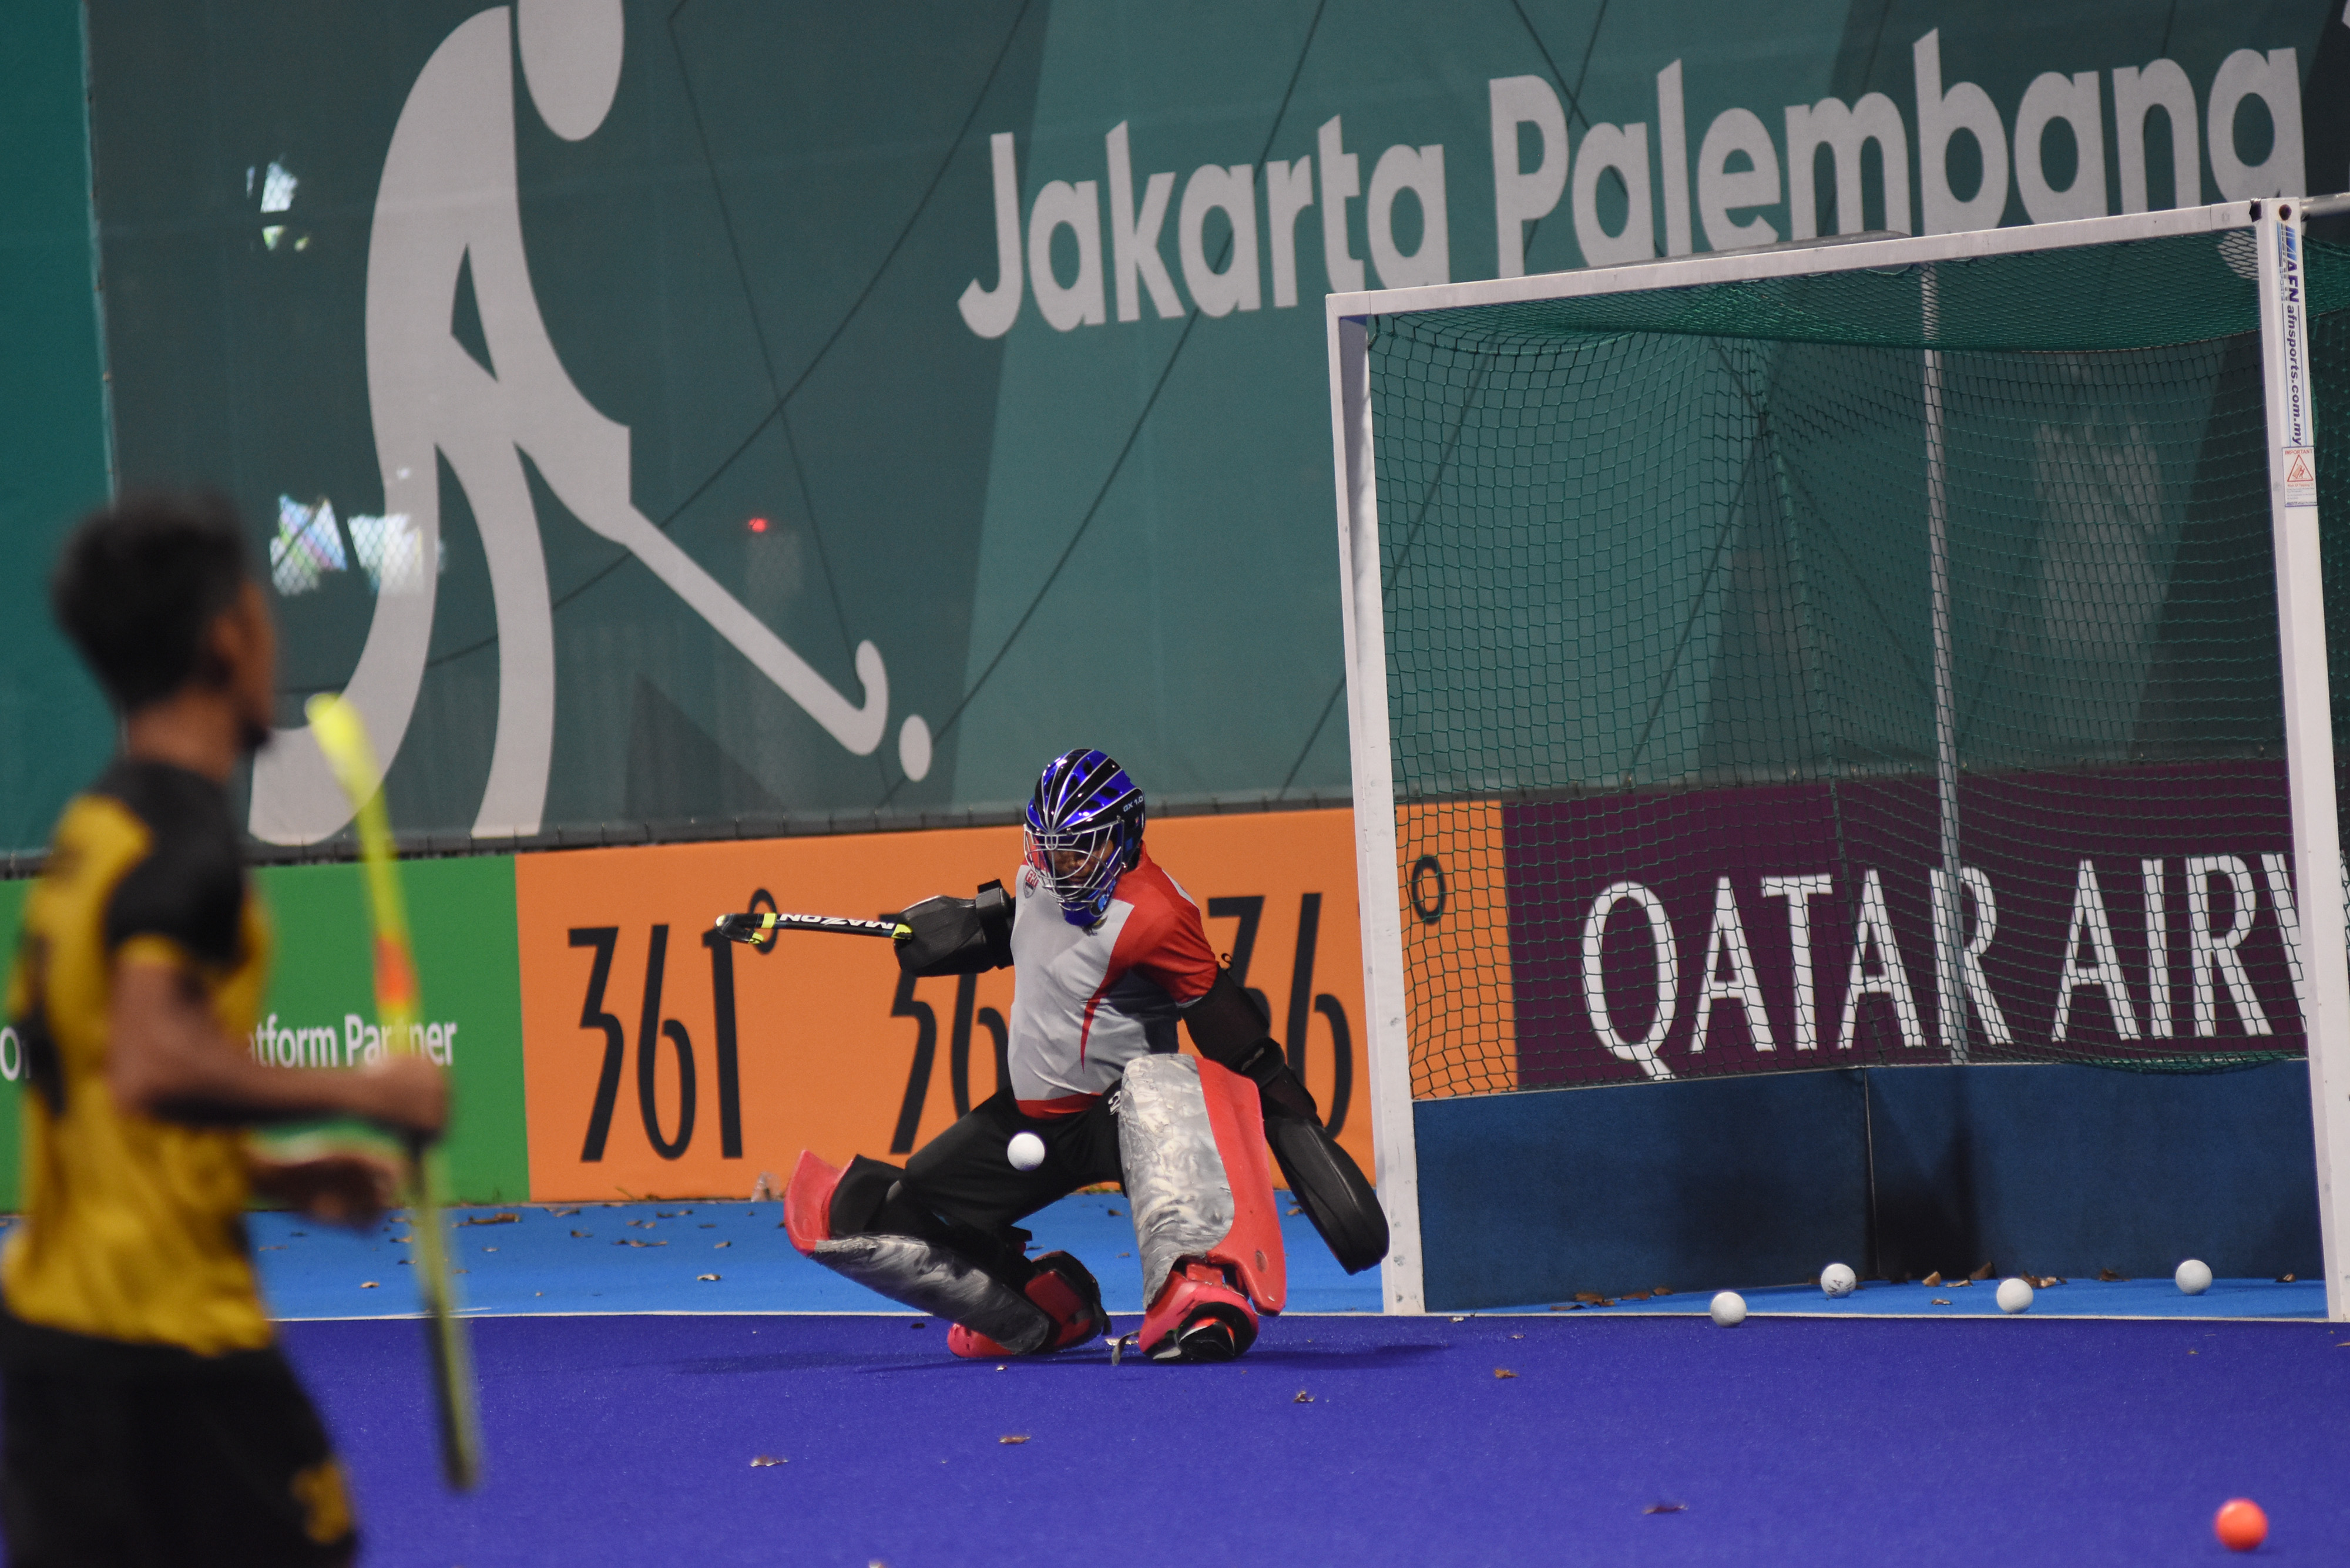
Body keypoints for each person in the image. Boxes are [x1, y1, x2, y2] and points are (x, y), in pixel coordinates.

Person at [1, 493, 448, 1566]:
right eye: (261, 610)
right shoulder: (184, 846)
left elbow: (110, 1092)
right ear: (224, 638)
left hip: (49, 1350)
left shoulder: (93, 832)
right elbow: (154, 1058)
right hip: (173, 1347)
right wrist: (366, 1087)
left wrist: (272, 1173)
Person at [780, 748, 1367, 1364]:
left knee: (1164, 1084)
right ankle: (1042, 1307)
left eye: (1080, 847)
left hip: (1121, 1116)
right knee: (903, 1208)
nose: (1061, 864)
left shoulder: (1158, 914)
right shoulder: (1039, 874)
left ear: (1123, 834)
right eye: (1049, 845)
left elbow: (1234, 1035)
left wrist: (1295, 1119)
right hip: (1033, 1119)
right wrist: (971, 931)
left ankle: (1201, 1292)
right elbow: (1030, 930)